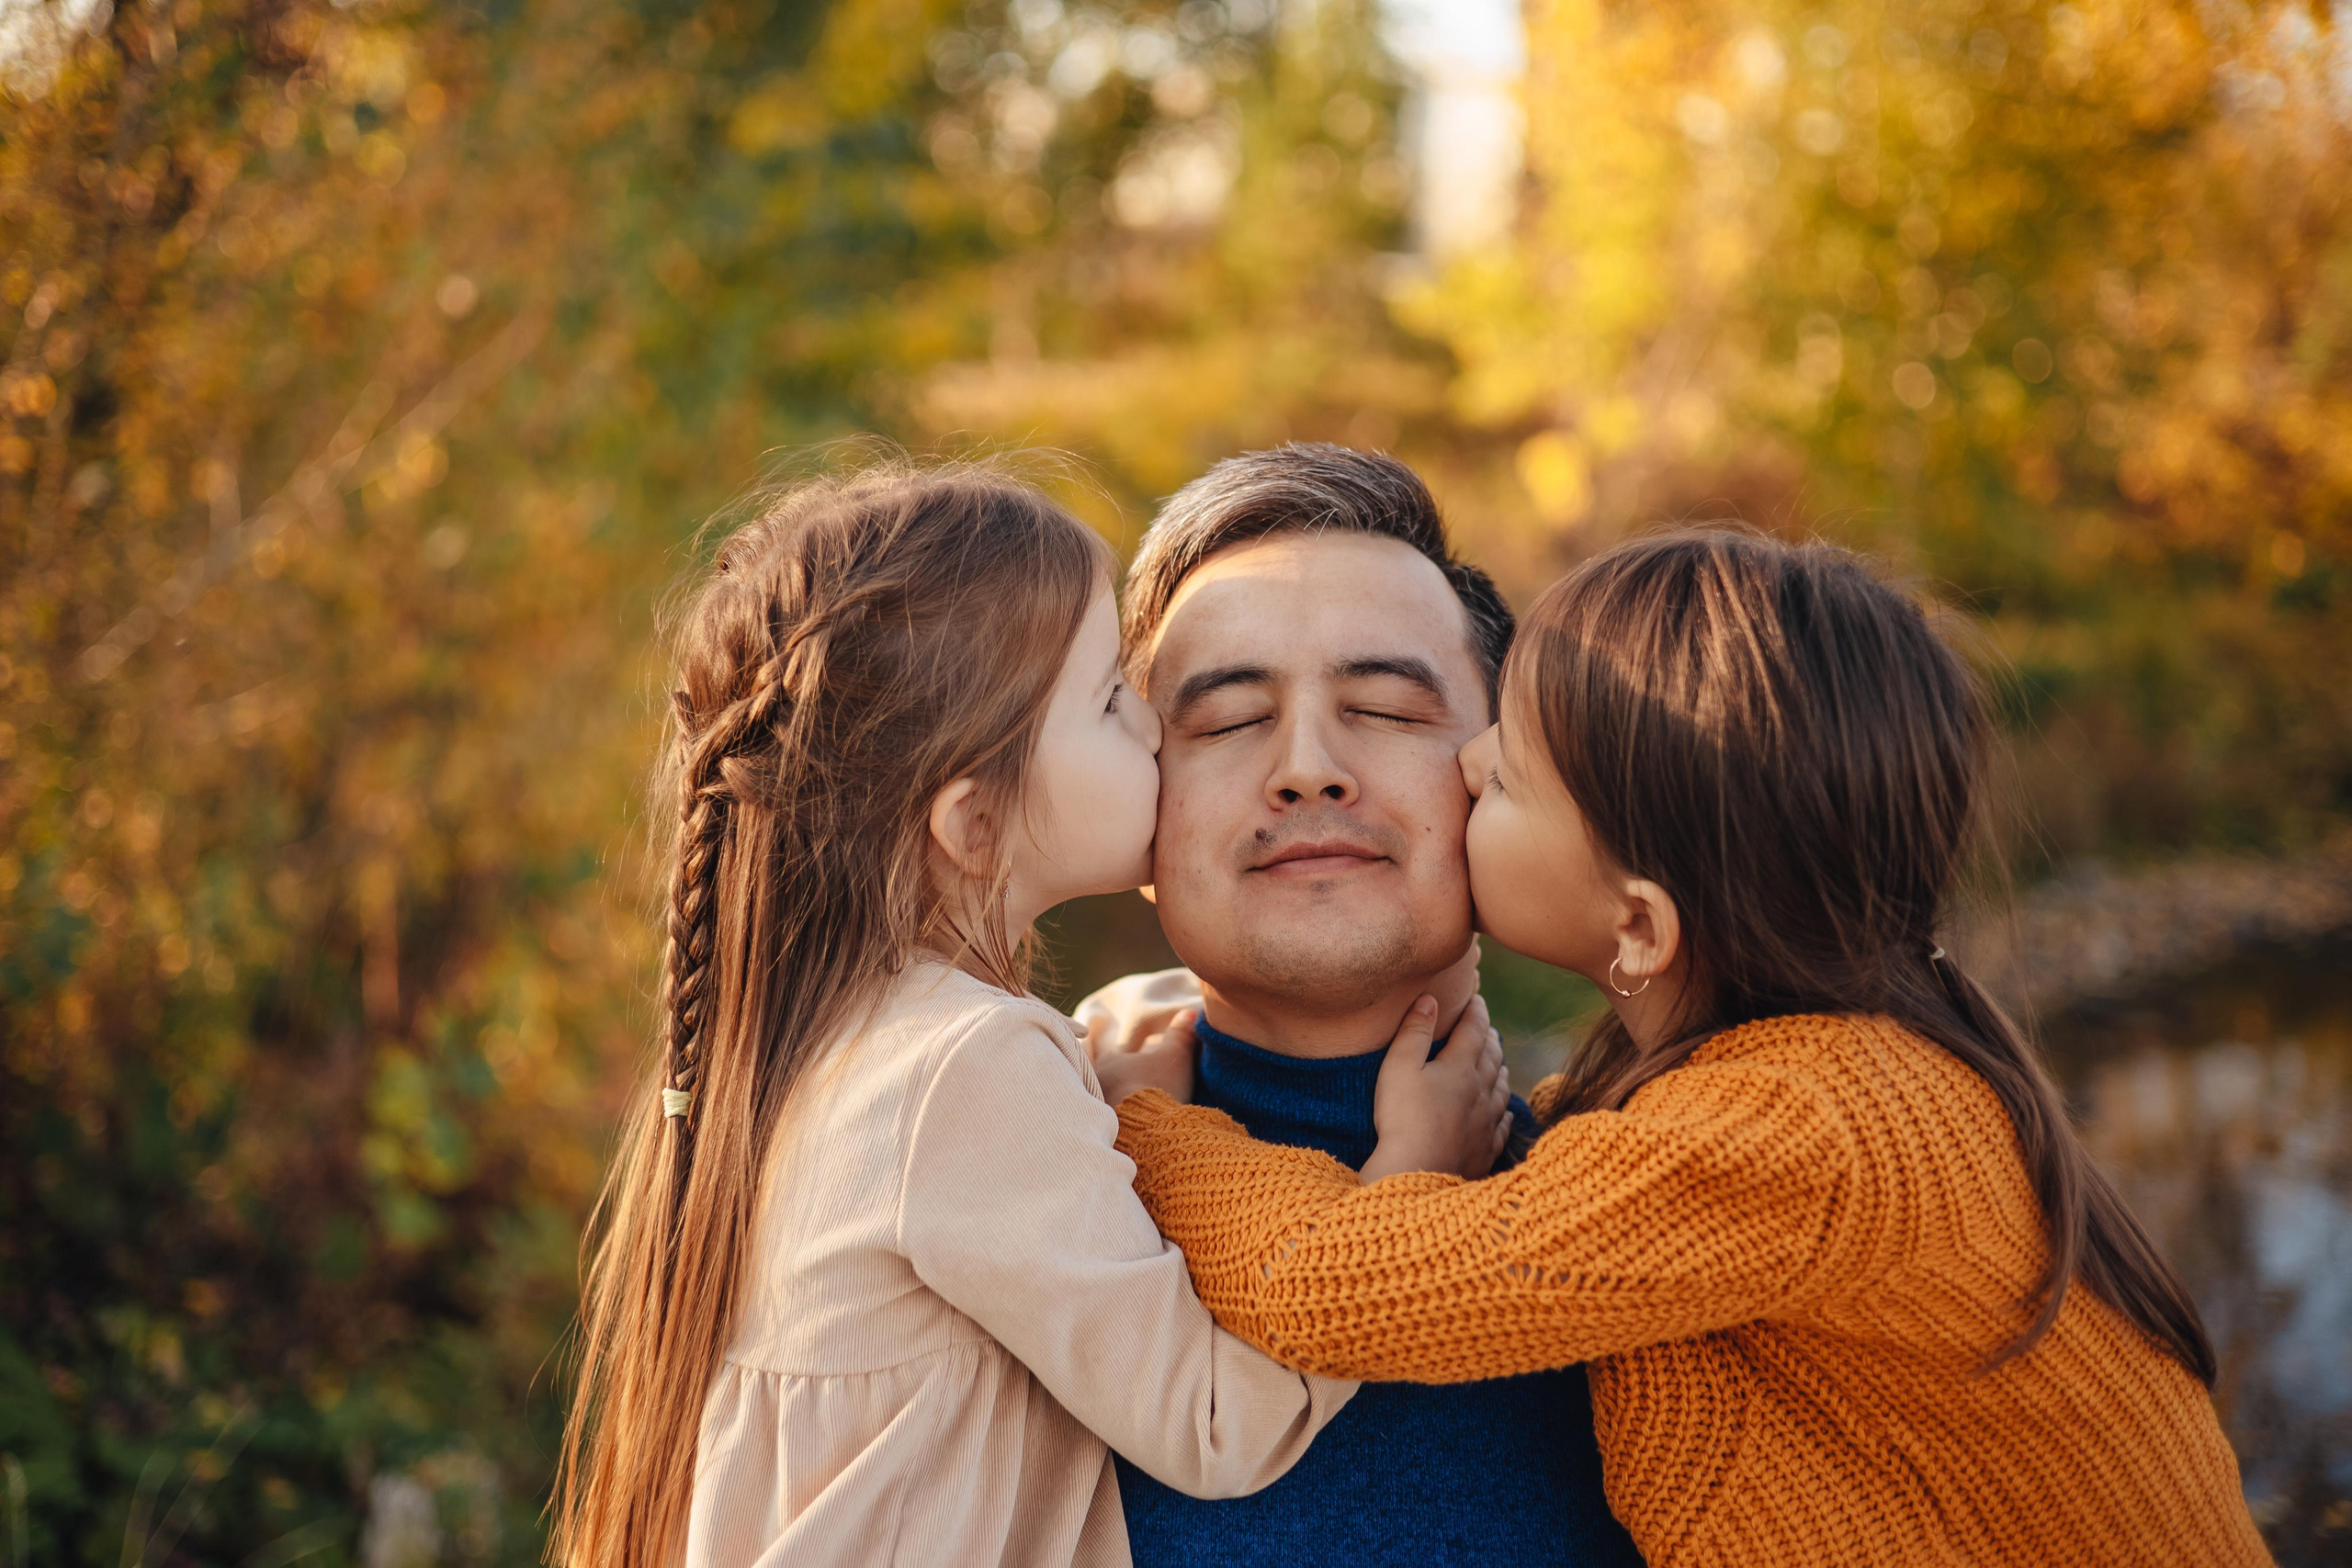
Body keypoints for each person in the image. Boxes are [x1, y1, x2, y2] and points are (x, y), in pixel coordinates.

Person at [1105, 527, 2277, 1567]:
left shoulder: (1804, 1128)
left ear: (1641, 924)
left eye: (1493, 764)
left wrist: (1142, 1130)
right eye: (1222, 717)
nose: (1464, 772)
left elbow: (1345, 1286)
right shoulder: (1712, 1110)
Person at [548, 465, 1476, 1568]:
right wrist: (1408, 1178)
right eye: (1110, 703)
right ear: (975, 823)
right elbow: (1216, 1424)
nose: (1154, 728)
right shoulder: (971, 1066)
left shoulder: (844, 1052)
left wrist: (1123, 1119)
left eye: (1381, 710)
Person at [1080, 446, 1642, 1566]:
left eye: (1383, 707)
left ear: (1504, 781)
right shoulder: (1011, 1223)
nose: (1306, 768)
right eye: (1230, 721)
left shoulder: (1650, 1244)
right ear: (1138, 805)